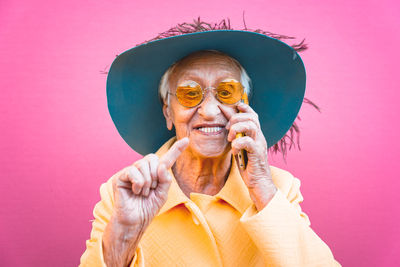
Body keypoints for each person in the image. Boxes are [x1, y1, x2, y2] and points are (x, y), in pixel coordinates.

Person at [80, 19, 341, 266]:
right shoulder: (123, 193)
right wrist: (123, 235)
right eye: (190, 93)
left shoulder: (279, 189)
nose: (209, 111)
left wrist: (261, 188)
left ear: (245, 108)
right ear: (168, 112)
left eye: (227, 93)